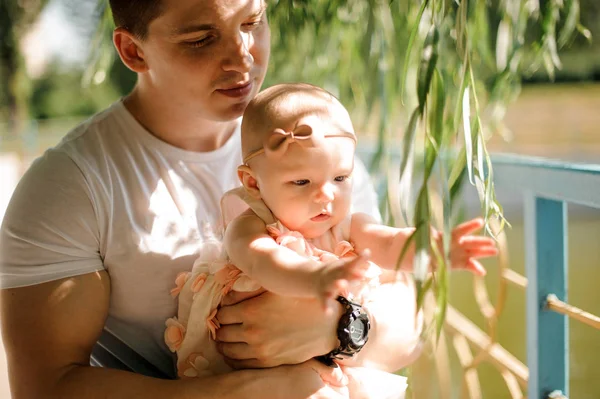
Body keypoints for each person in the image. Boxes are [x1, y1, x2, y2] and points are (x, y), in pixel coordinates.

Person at [0, 0, 477, 398]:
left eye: (252, 22)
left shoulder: (312, 144)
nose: (242, 56)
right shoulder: (71, 185)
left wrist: (341, 326)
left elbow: (411, 325)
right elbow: (47, 386)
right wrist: (251, 391)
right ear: (132, 51)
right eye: (201, 39)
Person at [166, 83, 497, 397]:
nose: (326, 195)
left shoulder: (346, 224)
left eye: (340, 177)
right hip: (244, 375)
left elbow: (389, 242)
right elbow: (264, 260)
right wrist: (314, 277)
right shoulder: (249, 225)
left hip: (316, 364)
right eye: (301, 181)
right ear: (253, 184)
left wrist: (431, 250)